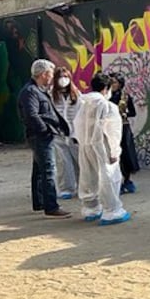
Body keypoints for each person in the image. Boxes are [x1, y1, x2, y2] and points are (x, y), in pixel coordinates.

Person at [74, 72, 130, 225]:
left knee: (88, 176)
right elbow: (113, 132)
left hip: (85, 145)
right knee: (109, 176)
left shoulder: (83, 103)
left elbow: (76, 123)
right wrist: (114, 151)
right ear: (106, 88)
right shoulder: (108, 106)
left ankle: (91, 208)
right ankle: (112, 211)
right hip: (101, 146)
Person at [17, 59, 71, 218]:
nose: (52, 76)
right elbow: (31, 115)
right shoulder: (31, 92)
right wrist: (44, 130)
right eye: (50, 73)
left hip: (41, 135)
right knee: (48, 170)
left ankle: (40, 202)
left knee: (39, 170)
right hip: (40, 136)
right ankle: (51, 206)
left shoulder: (36, 90)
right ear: (43, 74)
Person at [51, 66, 83, 200]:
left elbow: (81, 113)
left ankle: (83, 187)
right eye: (60, 77)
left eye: (66, 77)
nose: (63, 80)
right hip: (58, 135)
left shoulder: (77, 94)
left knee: (80, 162)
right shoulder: (51, 94)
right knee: (63, 163)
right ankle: (66, 188)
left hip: (75, 134)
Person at [109, 73, 140, 194]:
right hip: (110, 128)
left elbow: (133, 112)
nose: (113, 85)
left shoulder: (125, 97)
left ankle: (127, 180)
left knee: (126, 154)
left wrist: (125, 114)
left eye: (115, 82)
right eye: (111, 82)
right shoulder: (106, 96)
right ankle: (116, 182)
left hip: (123, 128)